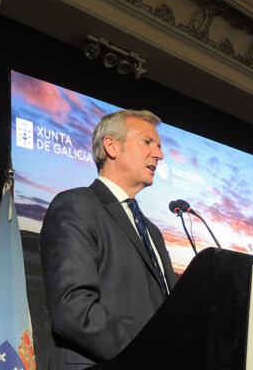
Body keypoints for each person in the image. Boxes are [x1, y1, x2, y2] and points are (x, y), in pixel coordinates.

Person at [40, 109, 177, 369]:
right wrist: (150, 352)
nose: (159, 154)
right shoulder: (76, 205)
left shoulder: (152, 232)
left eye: (159, 146)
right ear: (112, 147)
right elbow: (73, 308)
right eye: (147, 142)